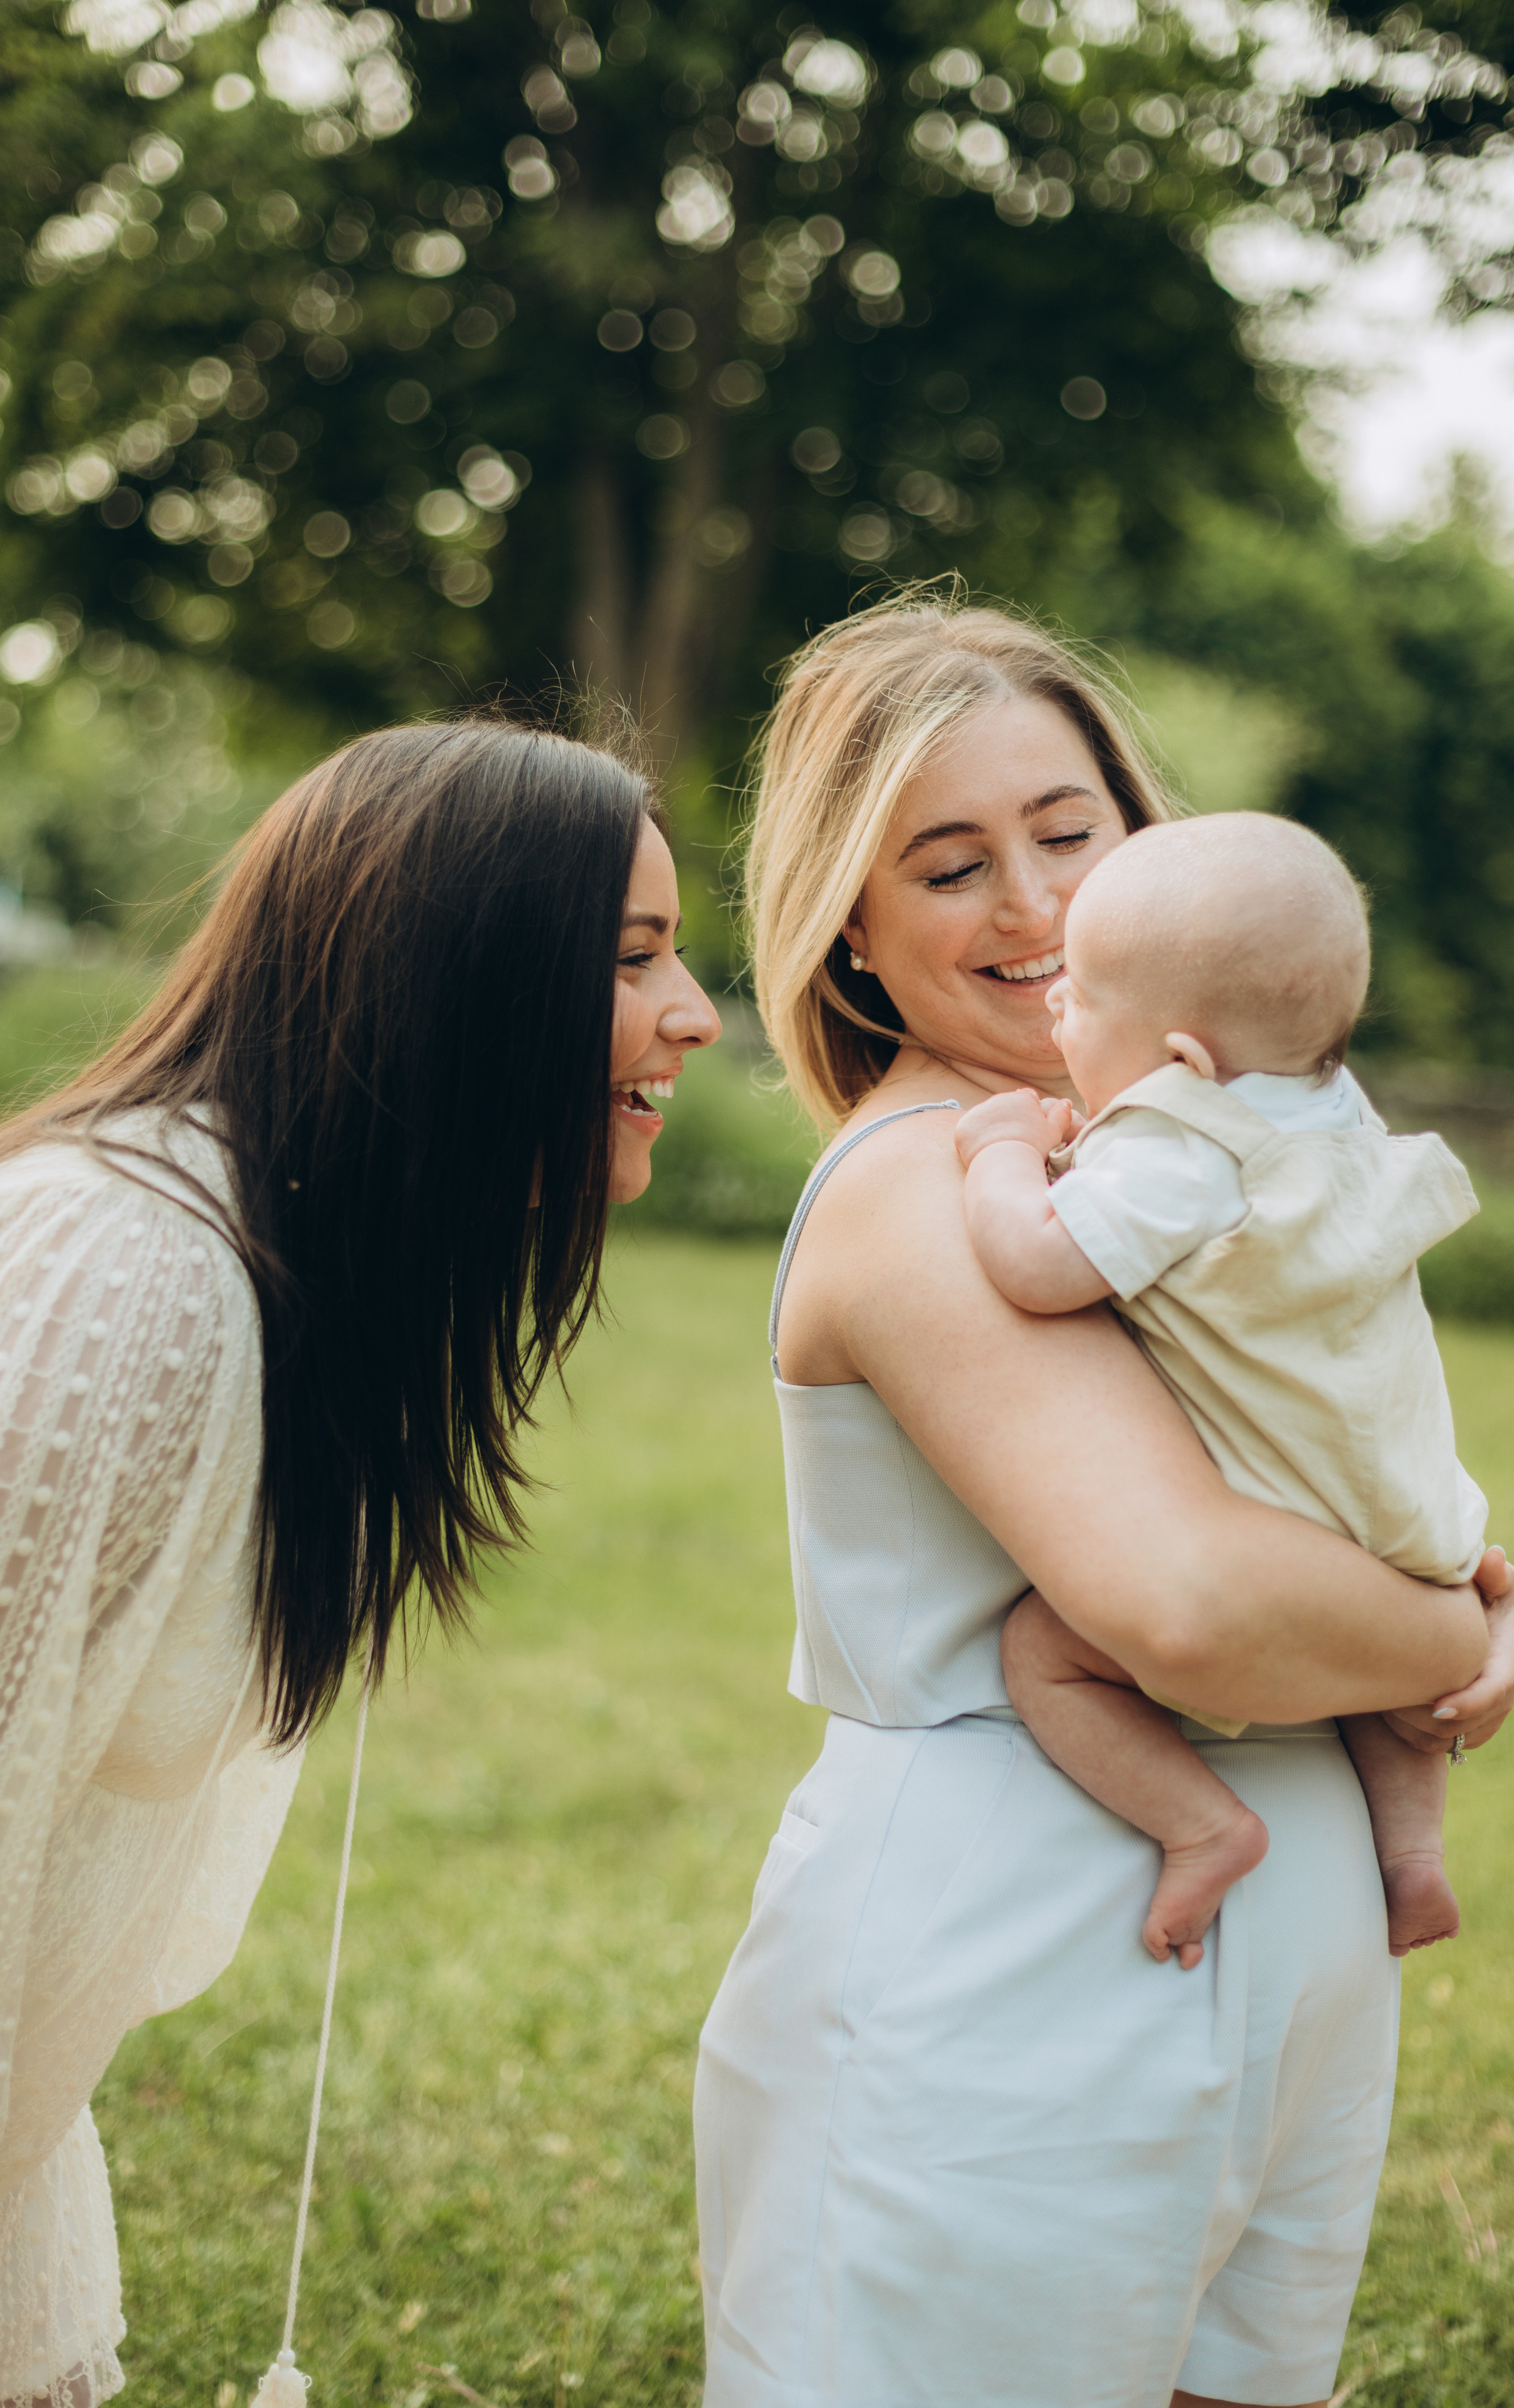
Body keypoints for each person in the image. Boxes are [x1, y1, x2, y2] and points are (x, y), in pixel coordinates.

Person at [694, 593, 1514, 2408]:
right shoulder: (933, 1183)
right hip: (1019, 1967)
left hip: (1290, 1961)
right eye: (950, 864)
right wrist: (1453, 1626)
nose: (1038, 906)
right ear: (850, 931)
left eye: (1071, 835)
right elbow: (1190, 1606)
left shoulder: (1214, 1153)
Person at [0, 717, 720, 2408]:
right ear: (459, 986)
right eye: (634, 959)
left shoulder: (269, 1288)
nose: (696, 1013)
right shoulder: (126, 1281)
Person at [957, 811, 1489, 1971]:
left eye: (1085, 996)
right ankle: (1411, 1857)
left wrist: (1000, 1153)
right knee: (1390, 1706)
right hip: (1402, 1508)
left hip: (1269, 1516)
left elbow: (1042, 1266)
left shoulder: (1181, 1145)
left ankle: (1200, 1825)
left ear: (1188, 1064)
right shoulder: (1336, 1114)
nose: (1058, 1003)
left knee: (1044, 1655)